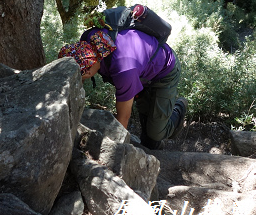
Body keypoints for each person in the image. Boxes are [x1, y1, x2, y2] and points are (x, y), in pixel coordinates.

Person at [58, 27, 187, 150]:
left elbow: (123, 118)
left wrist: (117, 153)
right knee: (149, 137)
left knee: (156, 133)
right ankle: (154, 147)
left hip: (165, 71)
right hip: (142, 70)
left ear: (87, 71)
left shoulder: (124, 70)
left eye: (81, 77)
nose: (81, 80)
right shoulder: (89, 41)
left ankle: (179, 108)